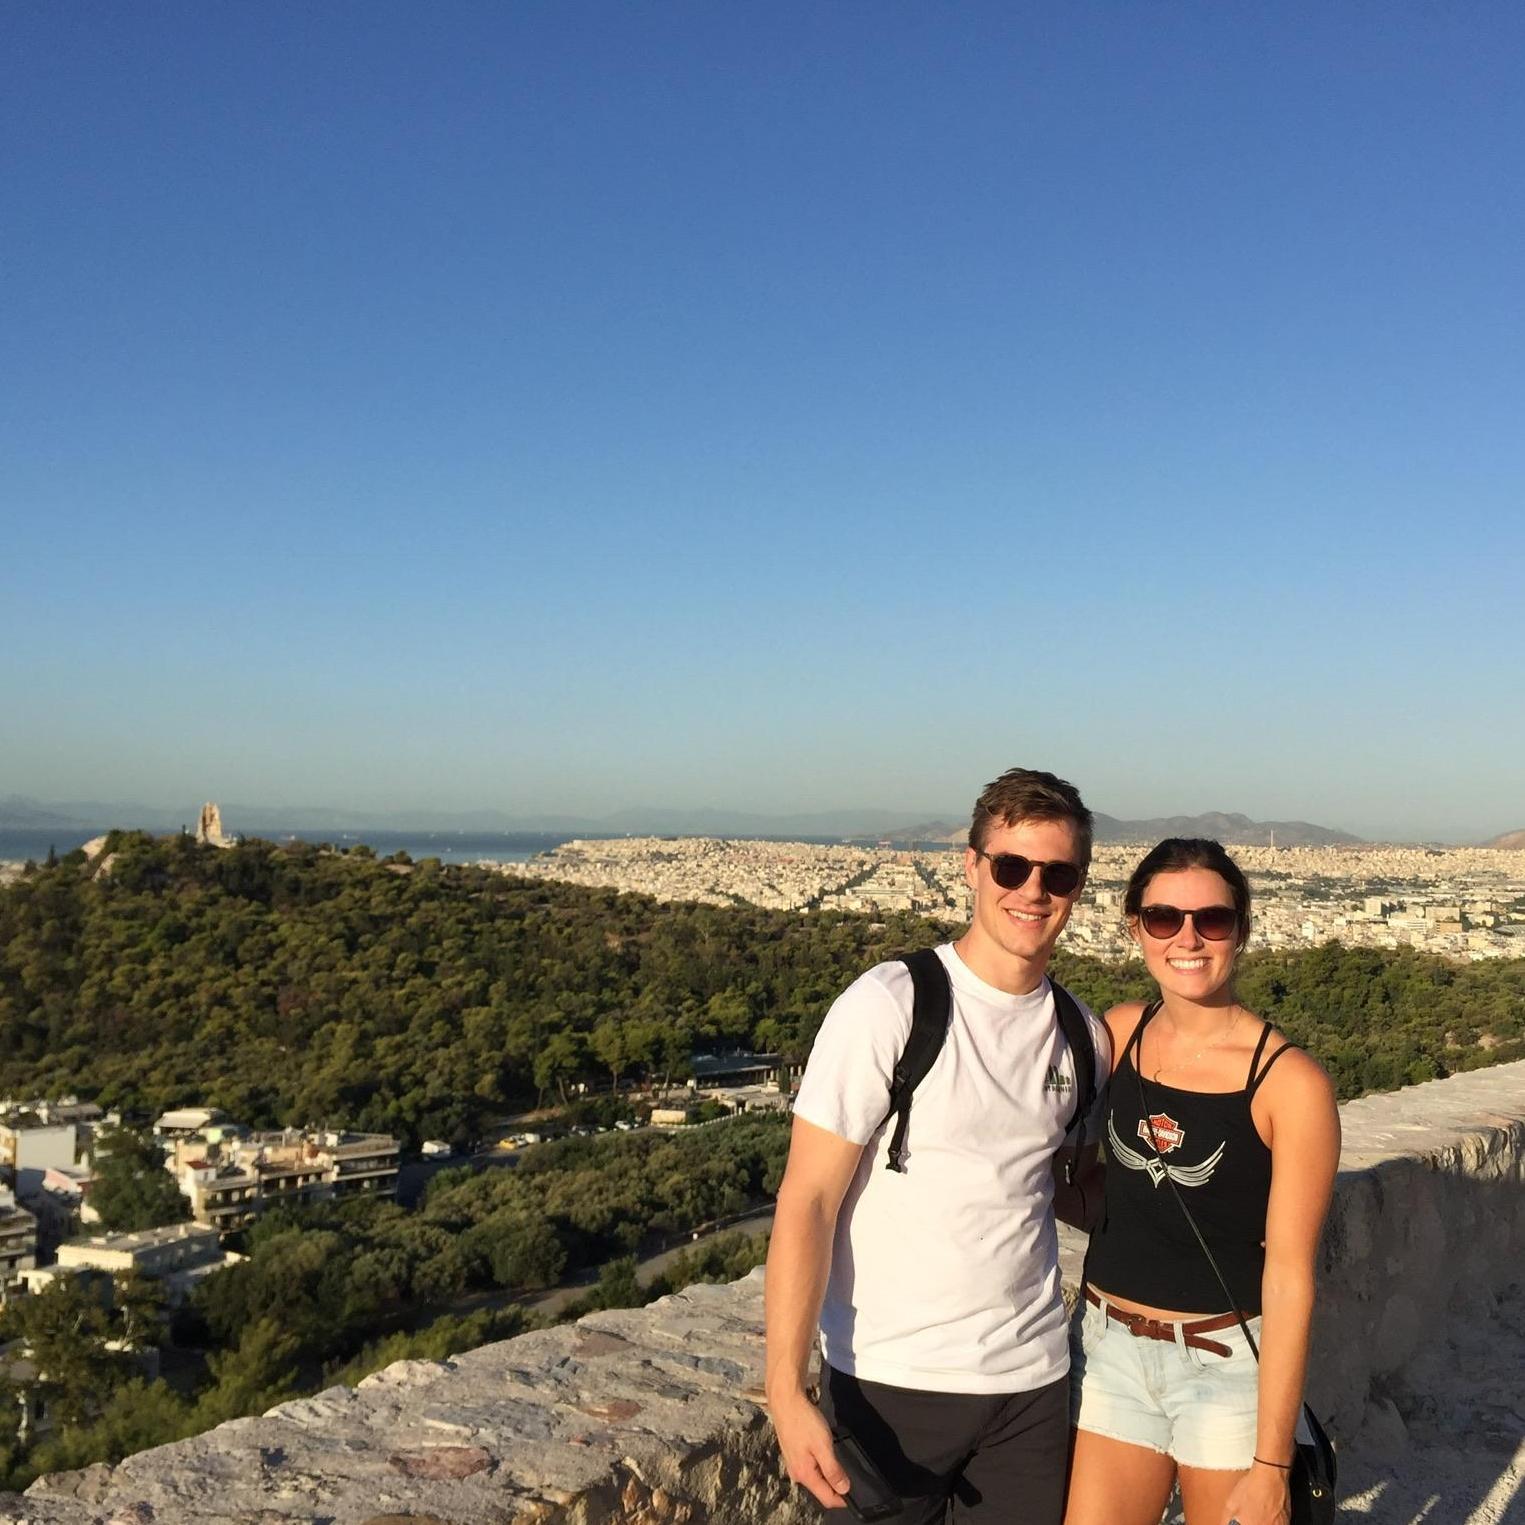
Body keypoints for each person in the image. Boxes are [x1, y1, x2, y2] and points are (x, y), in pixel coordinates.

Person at [765, 768, 1110, 1524]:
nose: (1033, 890)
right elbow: (808, 1198)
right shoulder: (891, 1005)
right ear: (972, 866)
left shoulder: (1083, 1036)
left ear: (1078, 886)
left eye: (1057, 874)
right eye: (1011, 867)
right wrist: (785, 1390)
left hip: (1031, 1384)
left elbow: (1066, 1187)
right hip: (890, 1379)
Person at [1064, 839, 1341, 1525]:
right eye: (1163, 917)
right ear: (1134, 927)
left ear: (1240, 929)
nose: (1186, 938)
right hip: (1107, 1348)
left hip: (1224, 1365)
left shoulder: (1289, 1083)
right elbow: (1095, 1189)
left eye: (1211, 919)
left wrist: (1272, 1462)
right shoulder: (1119, 1034)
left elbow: (1289, 1275)